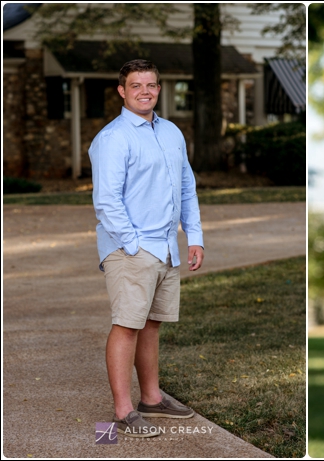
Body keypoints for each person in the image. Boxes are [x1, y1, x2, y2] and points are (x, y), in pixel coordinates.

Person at [89, 59, 205, 438]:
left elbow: (186, 187)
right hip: (132, 248)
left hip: (167, 247)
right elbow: (107, 200)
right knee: (126, 324)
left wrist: (195, 236)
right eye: (136, 85)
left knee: (151, 324)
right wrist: (133, 244)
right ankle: (123, 410)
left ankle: (151, 398)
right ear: (122, 91)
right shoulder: (113, 138)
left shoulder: (171, 132)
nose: (145, 91)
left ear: (159, 89)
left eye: (151, 85)